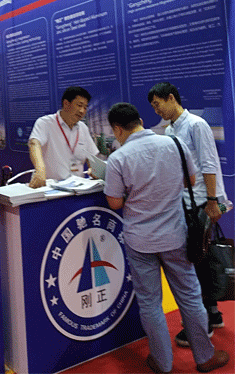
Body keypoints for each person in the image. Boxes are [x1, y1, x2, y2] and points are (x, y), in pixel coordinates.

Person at [104, 102, 229, 373]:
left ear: (117, 129)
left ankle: (162, 363)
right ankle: (205, 357)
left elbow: (114, 202)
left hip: (140, 241)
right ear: (140, 121)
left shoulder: (118, 158)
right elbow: (190, 181)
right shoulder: (174, 144)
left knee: (150, 303)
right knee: (190, 296)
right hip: (175, 235)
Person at [148, 82, 228, 346]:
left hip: (202, 202)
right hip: (186, 202)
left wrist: (213, 201)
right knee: (200, 257)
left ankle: (204, 323)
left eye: (158, 104)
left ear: (171, 98)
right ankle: (213, 313)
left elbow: (209, 163)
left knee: (199, 260)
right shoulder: (171, 129)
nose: (157, 110)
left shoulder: (196, 124)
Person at [28, 86, 99, 188]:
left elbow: (91, 155)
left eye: (85, 107)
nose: (82, 111)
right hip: (50, 187)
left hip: (78, 188)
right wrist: (40, 169)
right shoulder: (45, 123)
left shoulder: (83, 128)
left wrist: (94, 169)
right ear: (66, 103)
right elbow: (34, 143)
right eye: (79, 105)